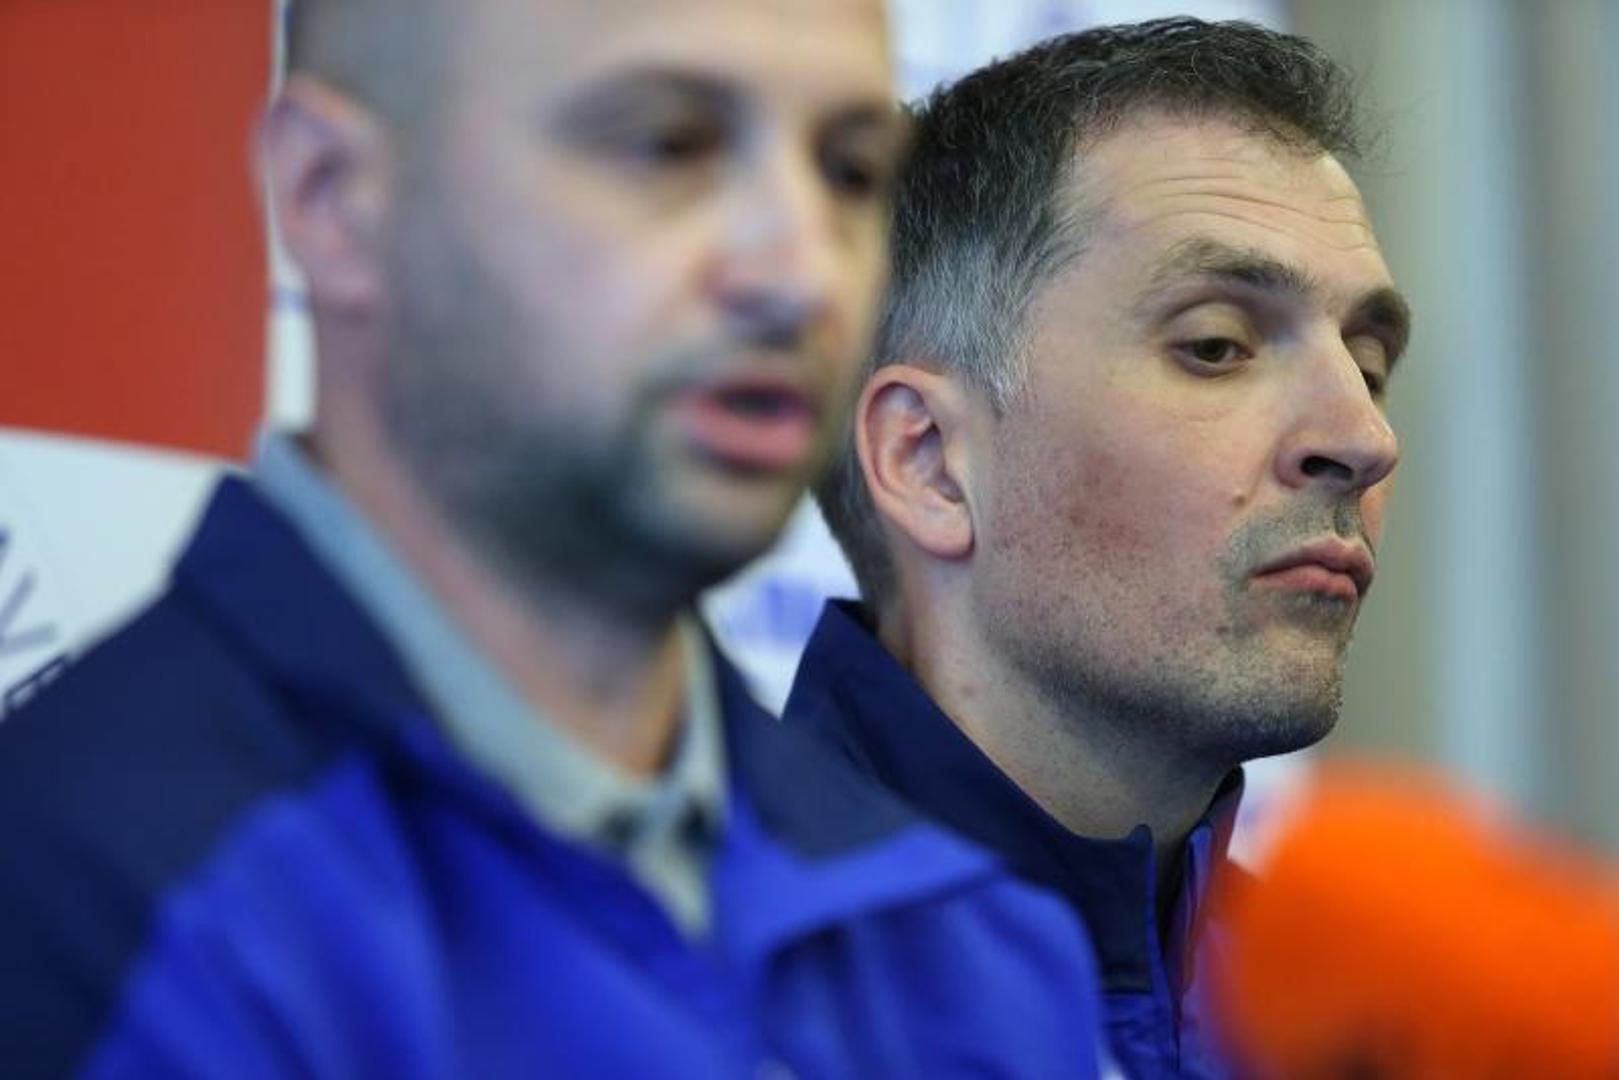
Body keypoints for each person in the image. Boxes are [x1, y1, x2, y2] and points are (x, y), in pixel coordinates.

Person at [0, 1, 1106, 1076]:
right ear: (330, 196)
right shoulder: (88, 904)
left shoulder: (969, 945)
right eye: (667, 145)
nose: (800, 274)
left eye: (850, 173)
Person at [786, 17, 1411, 1079]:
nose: (1363, 438)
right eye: (1216, 346)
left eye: (1368, 365)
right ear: (928, 461)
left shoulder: (1360, 1037)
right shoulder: (638, 1006)